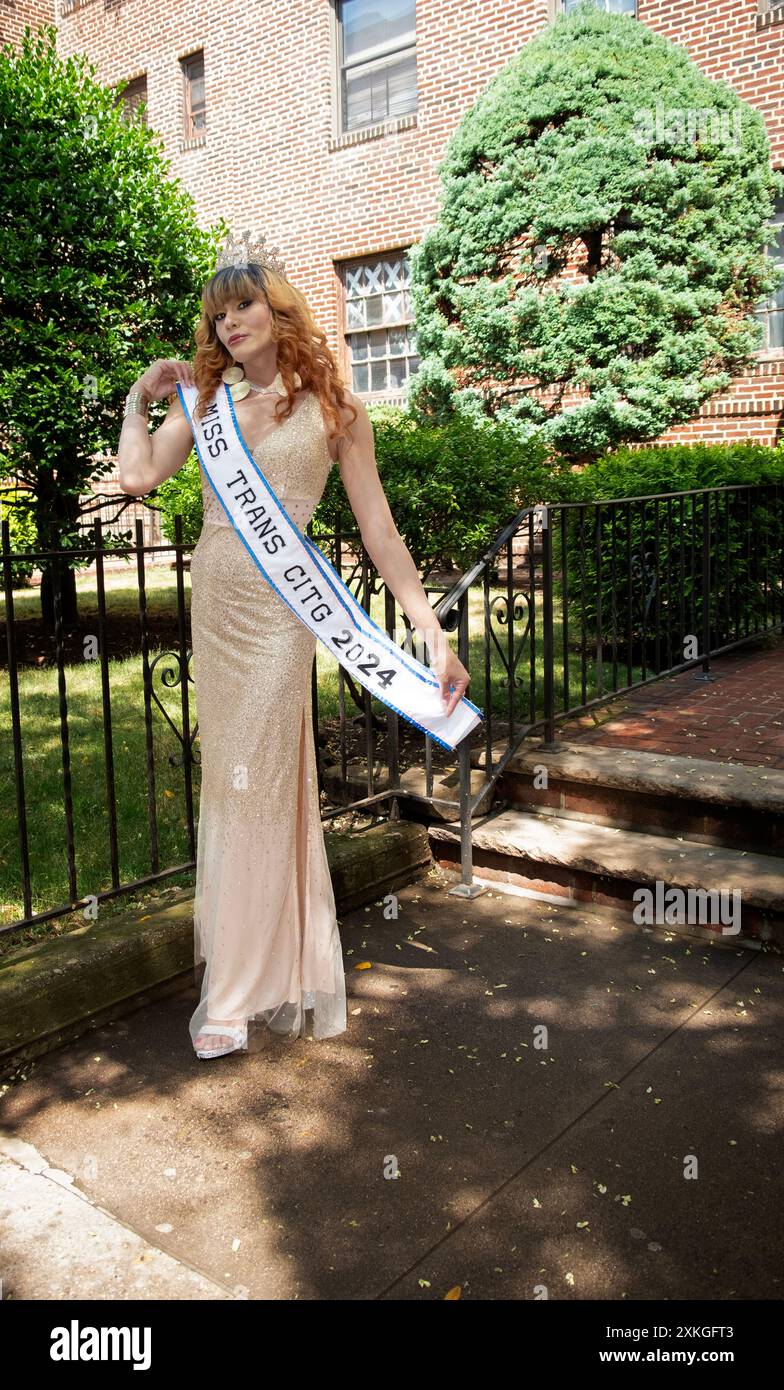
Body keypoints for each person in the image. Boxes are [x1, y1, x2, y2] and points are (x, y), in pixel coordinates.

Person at [117, 249, 471, 1060]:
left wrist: (431, 632)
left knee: (261, 781)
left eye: (241, 307)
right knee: (234, 783)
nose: (227, 323)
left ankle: (240, 990)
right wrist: (142, 397)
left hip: (282, 618)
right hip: (218, 606)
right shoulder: (205, 404)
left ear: (278, 311)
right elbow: (137, 477)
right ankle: (255, 965)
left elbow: (379, 530)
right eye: (217, 315)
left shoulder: (335, 408)